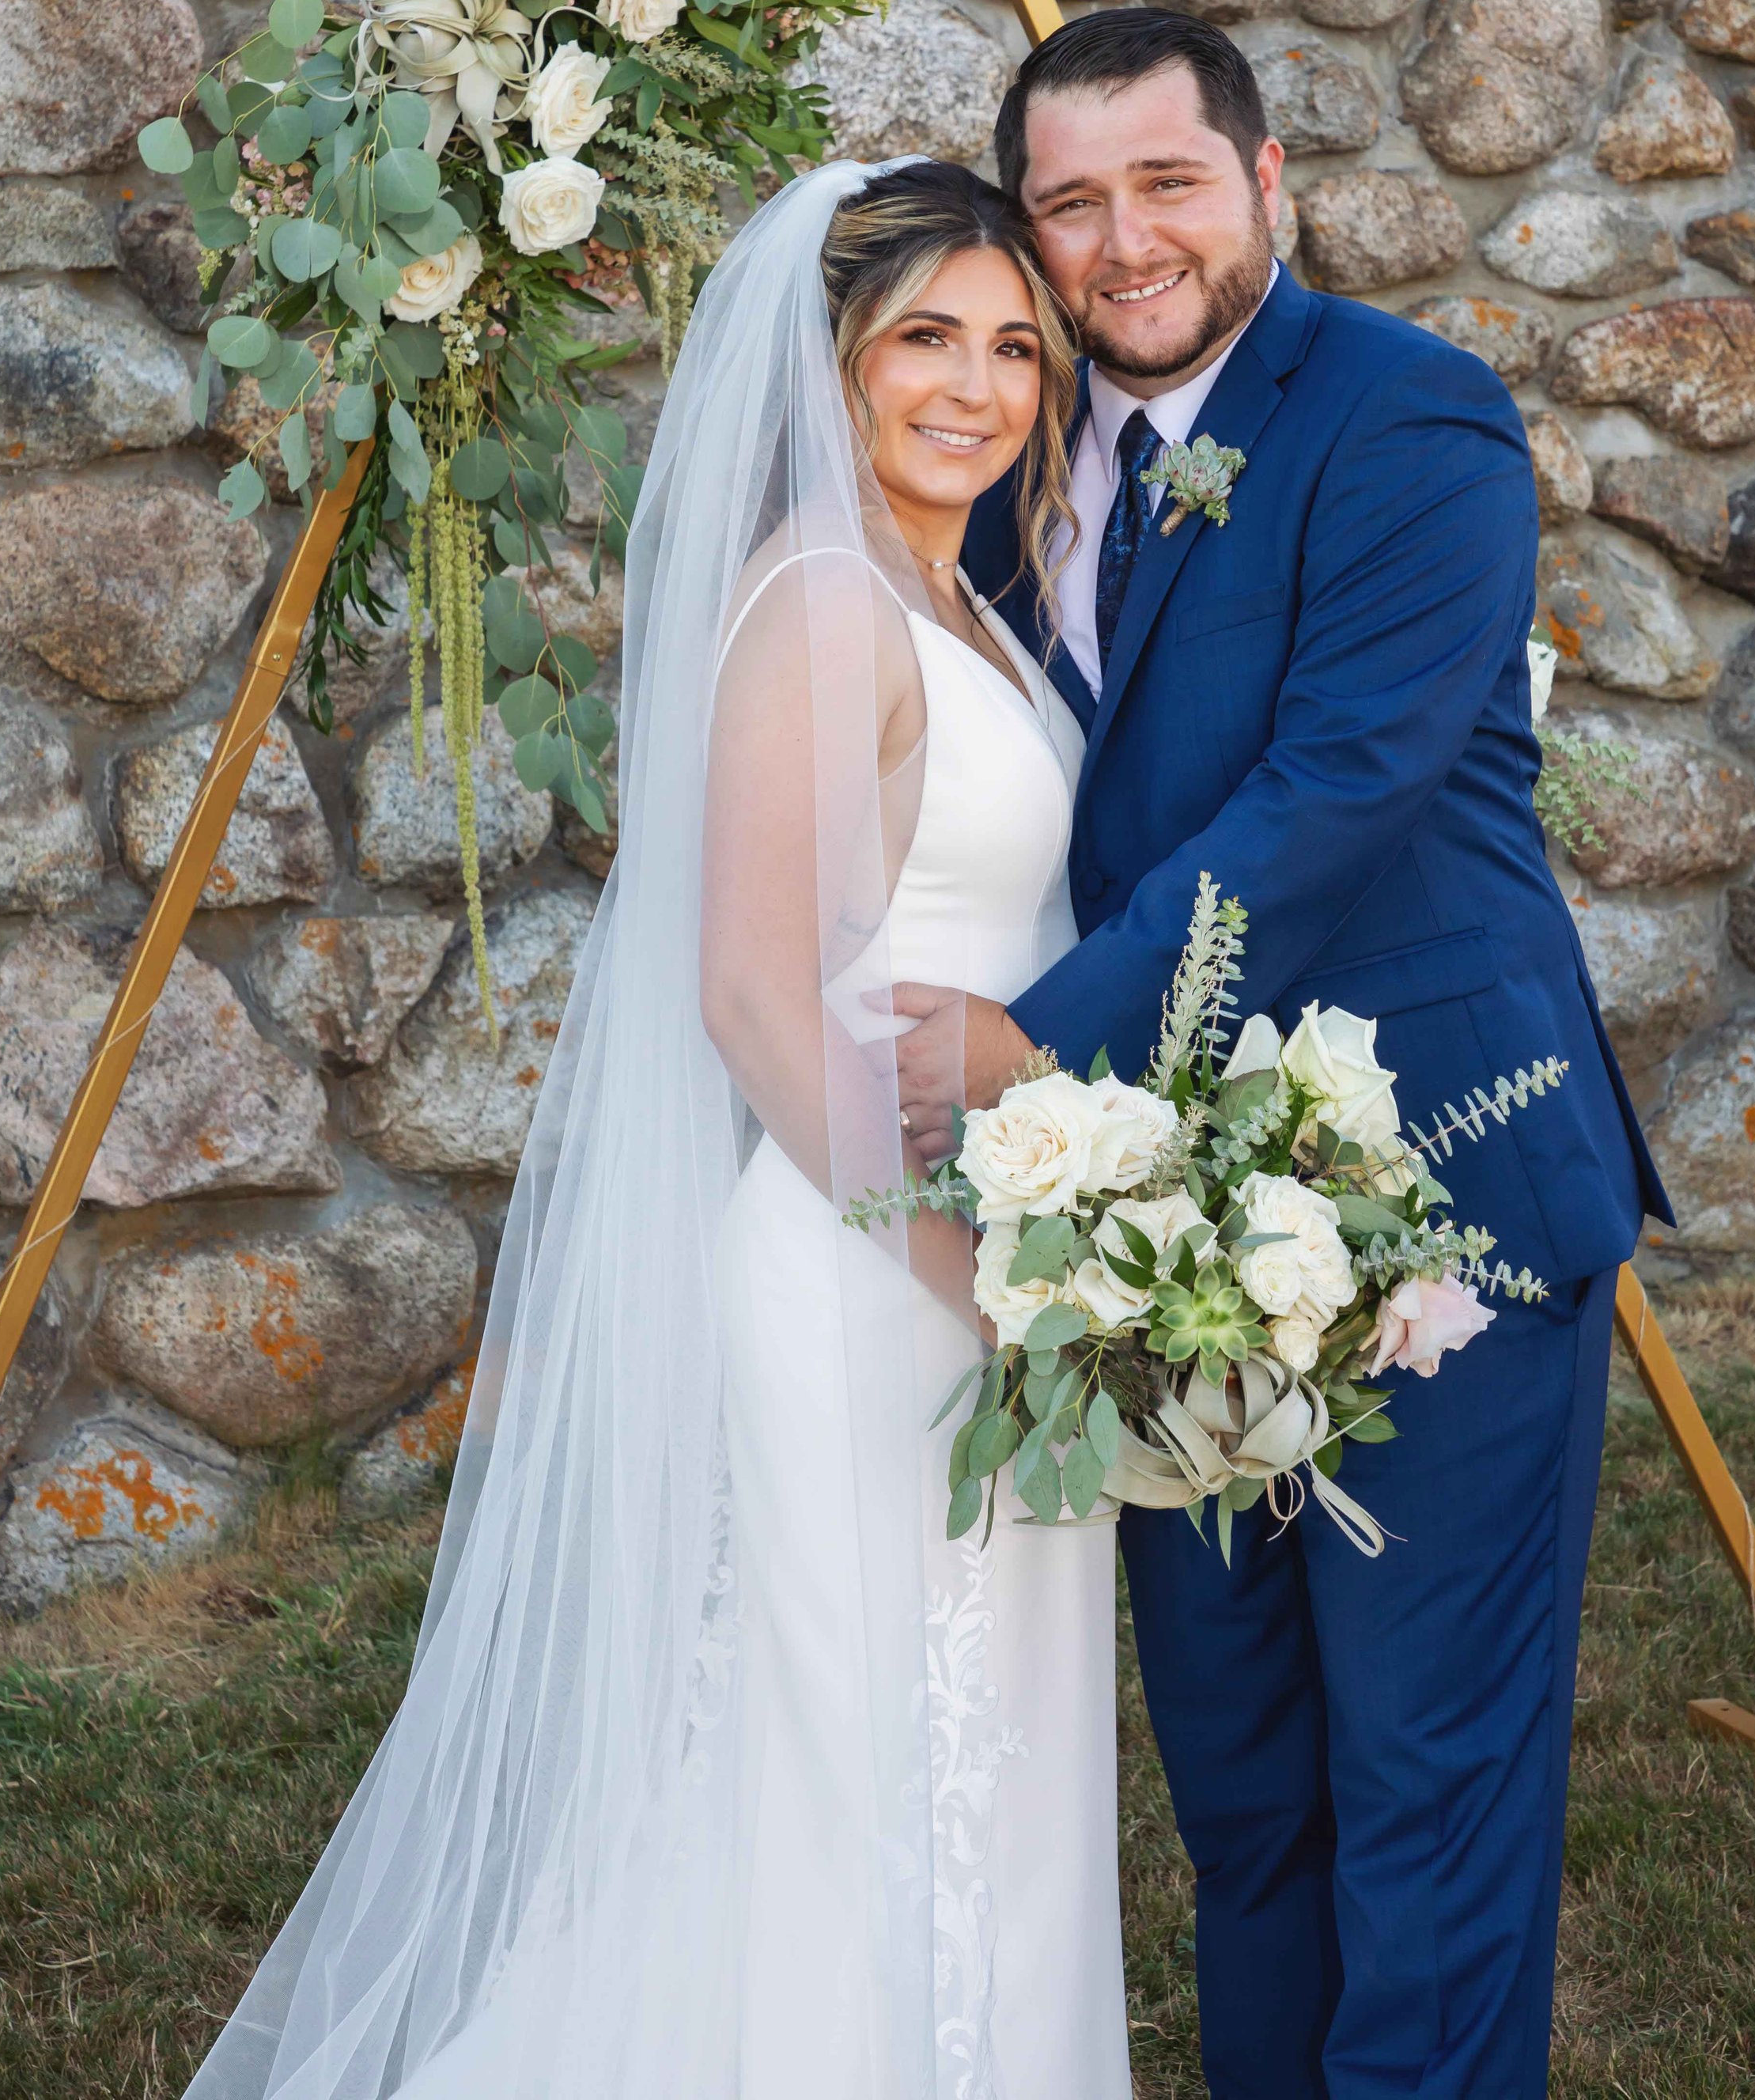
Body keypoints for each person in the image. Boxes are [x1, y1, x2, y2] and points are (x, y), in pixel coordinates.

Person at [179, 154, 1132, 2100]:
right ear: (833, 359)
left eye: (1016, 347)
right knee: (826, 1761)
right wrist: (965, 1270)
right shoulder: (815, 603)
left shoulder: (944, 590)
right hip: (871, 1264)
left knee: (971, 1754)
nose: (977, 386)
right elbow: (753, 999)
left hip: (980, 1256)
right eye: (924, 339)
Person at [901, 9, 1671, 2100]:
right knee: (1243, 1803)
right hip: (1148, 1223)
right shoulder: (1010, 468)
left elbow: (1321, 809)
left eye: (1162, 182)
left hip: (1437, 1197)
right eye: (1068, 202)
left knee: (1424, 1798)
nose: (1119, 241)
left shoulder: (1410, 421)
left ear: (1263, 182)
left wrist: (1010, 1067)